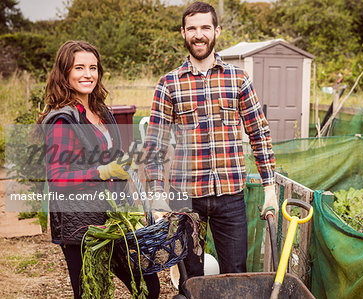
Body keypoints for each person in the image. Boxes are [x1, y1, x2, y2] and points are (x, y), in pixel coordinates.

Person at [145, 1, 278, 279]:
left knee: (236, 273)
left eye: (205, 27)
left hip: (230, 195)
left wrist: (269, 187)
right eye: (192, 28)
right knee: (191, 276)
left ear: (217, 31)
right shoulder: (169, 83)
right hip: (186, 198)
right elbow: (155, 145)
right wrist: (157, 194)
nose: (199, 34)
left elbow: (259, 133)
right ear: (183, 33)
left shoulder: (237, 78)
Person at [37, 40, 159, 299]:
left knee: (149, 286)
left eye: (93, 67)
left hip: (113, 219)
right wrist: (103, 171)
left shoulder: (101, 110)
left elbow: (109, 156)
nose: (88, 74)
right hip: (81, 226)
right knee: (91, 293)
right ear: (65, 72)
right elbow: (58, 177)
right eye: (79, 67)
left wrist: (125, 162)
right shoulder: (63, 119)